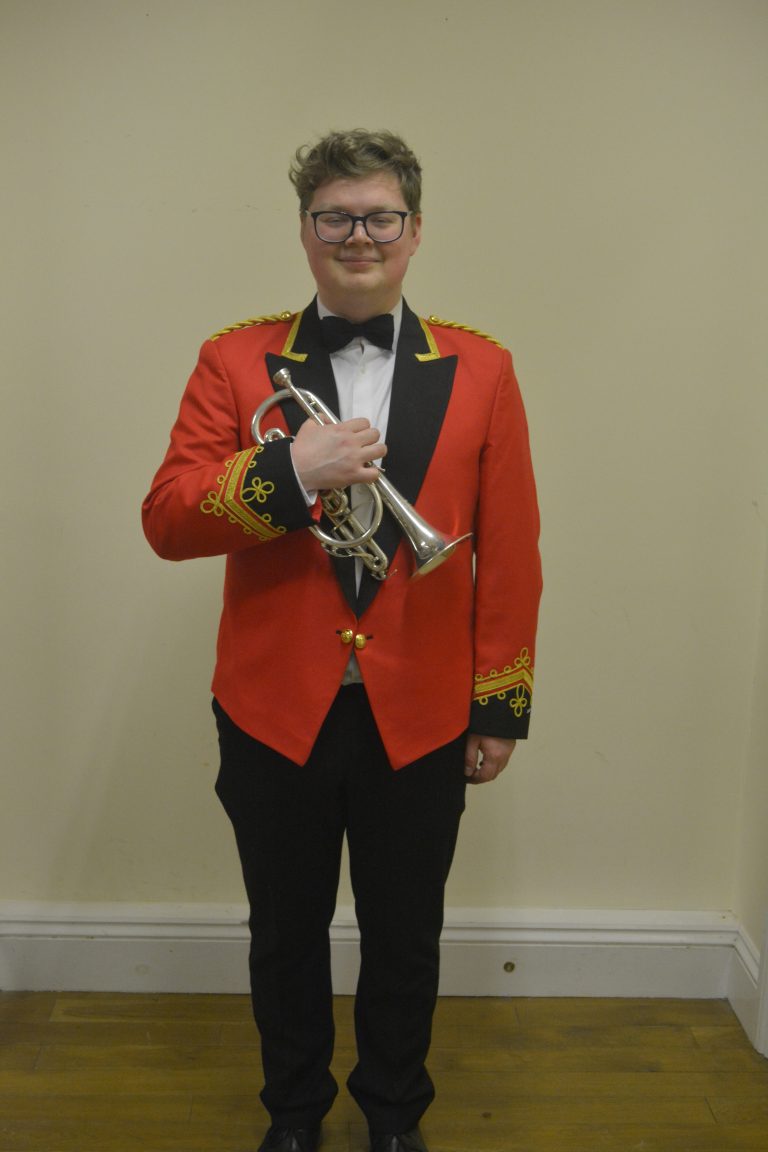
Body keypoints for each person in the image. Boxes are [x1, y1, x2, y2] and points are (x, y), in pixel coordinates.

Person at [142, 129, 542, 1152]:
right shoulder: (234, 359)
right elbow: (169, 519)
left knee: (407, 935)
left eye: (378, 218)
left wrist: (499, 707)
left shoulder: (484, 368)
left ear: (414, 231)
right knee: (284, 935)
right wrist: (292, 472)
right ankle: (293, 1117)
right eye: (335, 218)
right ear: (305, 230)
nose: (358, 237)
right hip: (274, 706)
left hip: (424, 707)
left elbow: (511, 553)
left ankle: (396, 1119)